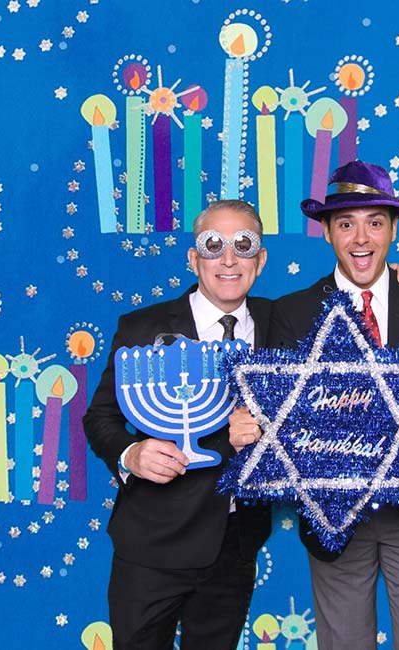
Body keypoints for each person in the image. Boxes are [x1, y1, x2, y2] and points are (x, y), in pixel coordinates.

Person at [229, 160, 399, 650]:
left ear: (393, 229)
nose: (361, 238)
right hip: (335, 521)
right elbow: (278, 423)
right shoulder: (292, 313)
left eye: (375, 223)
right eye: (346, 224)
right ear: (326, 233)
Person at [83, 200, 272, 650]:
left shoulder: (279, 322)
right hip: (154, 540)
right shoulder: (142, 328)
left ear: (261, 260)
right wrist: (131, 453)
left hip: (234, 544)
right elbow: (101, 417)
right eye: (213, 245)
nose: (229, 259)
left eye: (244, 245)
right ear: (193, 258)